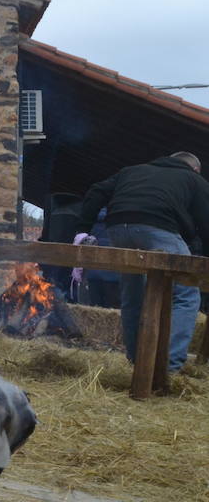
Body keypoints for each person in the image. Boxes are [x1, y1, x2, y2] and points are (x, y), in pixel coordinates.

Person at [75, 152, 209, 373]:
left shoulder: (131, 170)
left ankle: (138, 361)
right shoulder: (194, 180)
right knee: (186, 295)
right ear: (195, 169)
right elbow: (206, 221)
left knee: (133, 294)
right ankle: (167, 367)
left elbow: (97, 191)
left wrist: (82, 228)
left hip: (118, 228)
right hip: (158, 228)